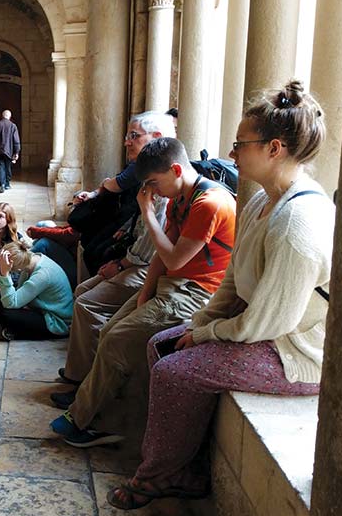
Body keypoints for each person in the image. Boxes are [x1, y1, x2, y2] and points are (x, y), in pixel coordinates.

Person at [108, 81, 333, 510]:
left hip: (294, 352)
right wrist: (199, 323)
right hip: (262, 329)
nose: (231, 154)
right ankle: (182, 465)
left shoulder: (297, 221)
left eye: (240, 144)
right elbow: (231, 282)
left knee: (176, 369)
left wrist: (207, 333)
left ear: (274, 148)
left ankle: (157, 476)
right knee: (162, 343)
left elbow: (269, 323)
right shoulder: (262, 203)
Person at [50, 137, 236, 448]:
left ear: (176, 169)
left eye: (153, 182)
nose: (151, 191)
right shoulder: (182, 196)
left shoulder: (210, 203)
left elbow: (175, 257)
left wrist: (148, 214)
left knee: (118, 341)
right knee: (110, 330)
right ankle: (98, 415)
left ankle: (84, 419)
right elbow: (164, 257)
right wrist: (145, 293)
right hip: (170, 287)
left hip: (195, 294)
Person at [28, 111, 176, 273]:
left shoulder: (161, 186)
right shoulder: (141, 169)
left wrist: (120, 265)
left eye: (133, 136)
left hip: (136, 261)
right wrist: (126, 227)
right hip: (127, 234)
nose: (127, 143)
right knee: (88, 252)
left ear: (157, 136)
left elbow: (152, 251)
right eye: (128, 137)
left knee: (91, 260)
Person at [51, 191, 167, 395]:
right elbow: (137, 226)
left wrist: (120, 266)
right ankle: (80, 371)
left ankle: (87, 382)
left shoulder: (164, 200)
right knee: (82, 289)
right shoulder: (150, 188)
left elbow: (149, 251)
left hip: (143, 267)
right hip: (133, 260)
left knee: (87, 304)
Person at [0, 241, 74, 340]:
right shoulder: (32, 259)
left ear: (18, 269)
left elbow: (10, 303)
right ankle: (15, 330)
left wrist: (5, 274)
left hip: (57, 321)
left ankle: (17, 332)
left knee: (6, 314)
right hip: (42, 310)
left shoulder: (42, 275)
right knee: (1, 297)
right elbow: (18, 293)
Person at [0, 109, 20, 192]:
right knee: (8, 167)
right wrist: (16, 152)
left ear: (2, 116)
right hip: (9, 151)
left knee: (0, 167)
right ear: (10, 117)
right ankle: (7, 184)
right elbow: (16, 140)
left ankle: (2, 184)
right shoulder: (13, 126)